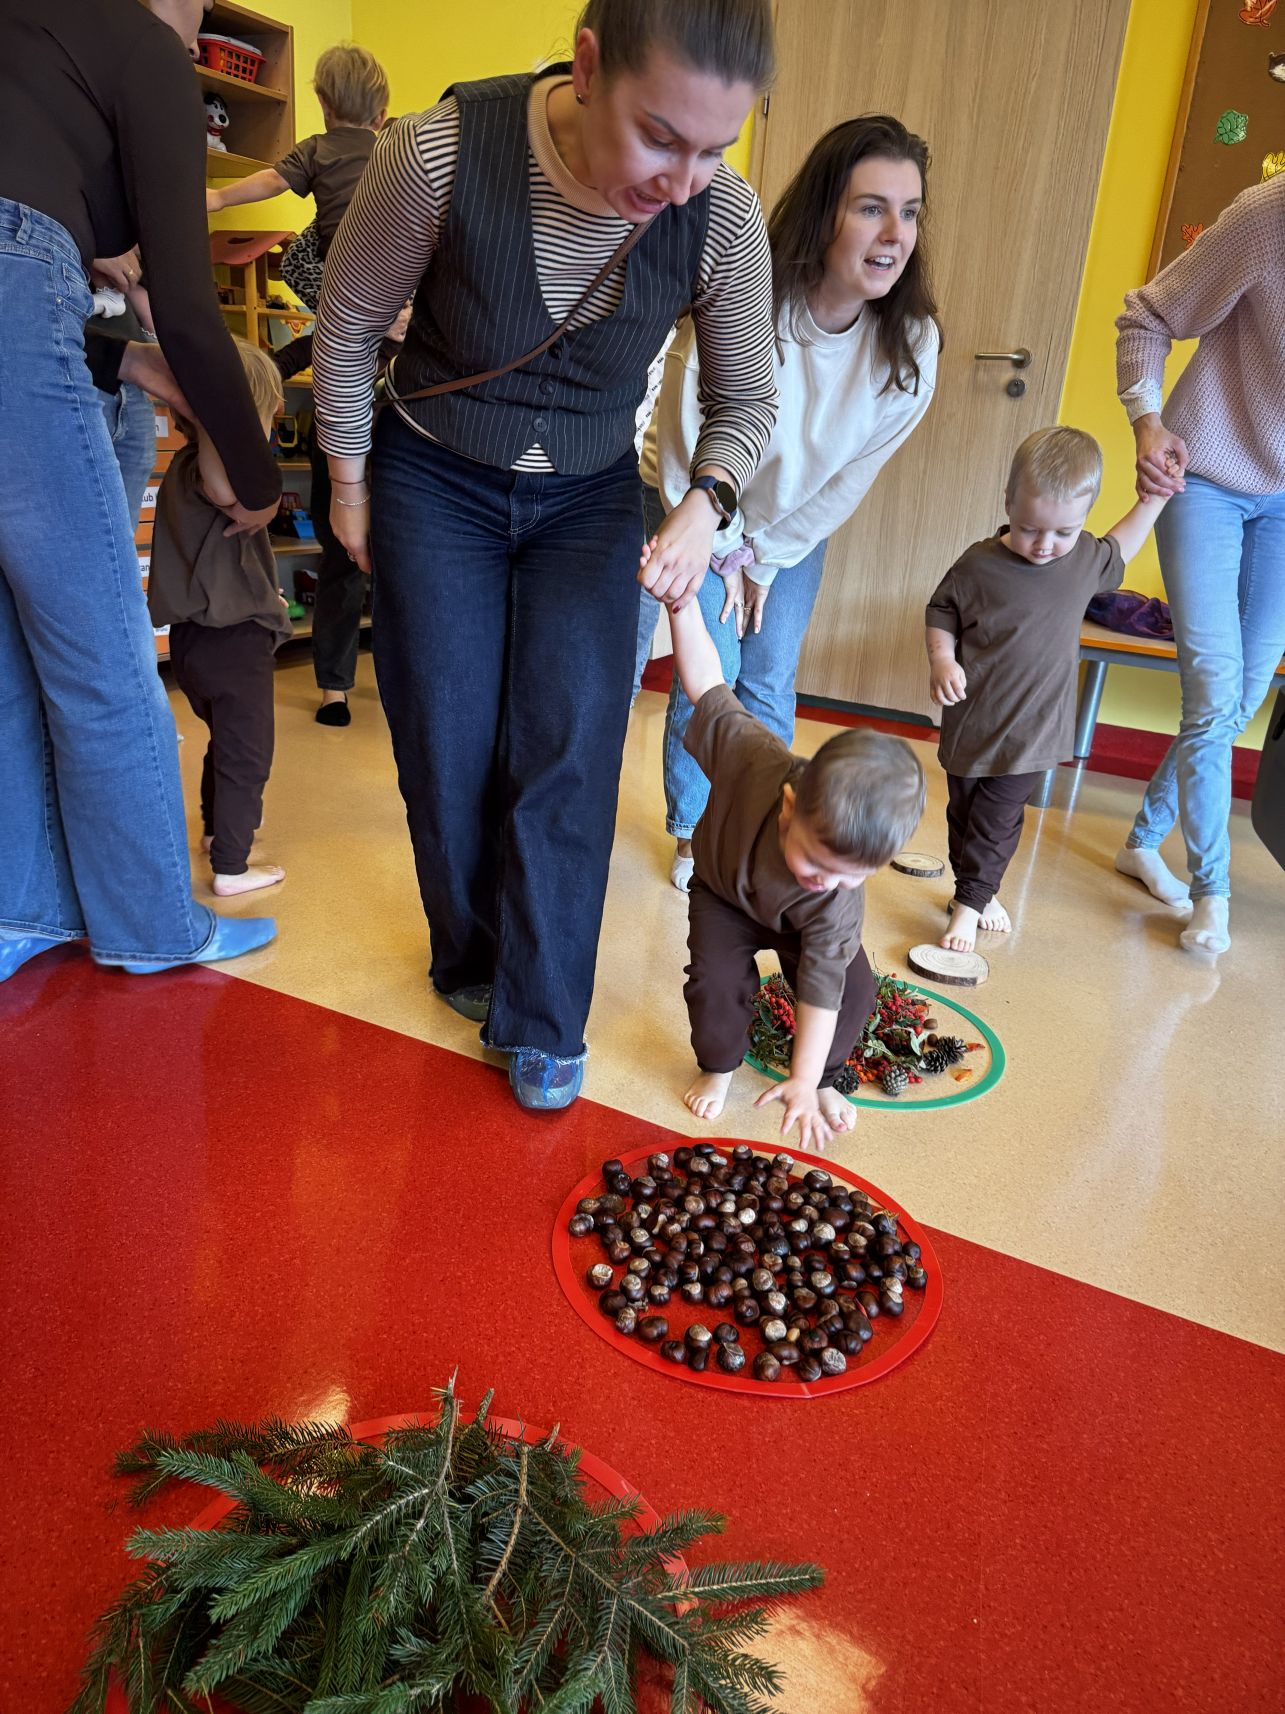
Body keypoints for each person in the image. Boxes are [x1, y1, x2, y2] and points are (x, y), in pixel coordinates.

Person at [313, 0, 779, 1110]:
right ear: (587, 66)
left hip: (588, 494)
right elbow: (346, 319)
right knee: (444, 739)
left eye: (714, 148)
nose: (682, 179)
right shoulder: (434, 153)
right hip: (433, 479)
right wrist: (347, 481)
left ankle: (542, 1014)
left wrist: (706, 502)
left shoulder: (722, 215)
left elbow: (748, 399)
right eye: (659, 136)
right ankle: (471, 953)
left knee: (569, 744)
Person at [0, 0, 281, 985]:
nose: (197, 30)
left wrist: (133, 363)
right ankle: (154, 923)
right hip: (17, 278)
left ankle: (20, 909)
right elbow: (193, 314)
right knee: (104, 645)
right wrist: (257, 481)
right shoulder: (143, 45)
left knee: (8, 644)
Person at [636, 114, 939, 891]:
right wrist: (722, 547)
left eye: (909, 212)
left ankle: (760, 830)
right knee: (713, 671)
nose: (894, 234)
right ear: (823, 213)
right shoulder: (746, 299)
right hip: (691, 504)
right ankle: (696, 834)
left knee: (768, 674)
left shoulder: (911, 345)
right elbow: (685, 433)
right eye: (871, 208)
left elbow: (847, 482)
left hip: (790, 531)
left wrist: (762, 558)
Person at [659, 583, 925, 1150]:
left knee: (853, 992)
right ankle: (719, 1067)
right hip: (724, 896)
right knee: (714, 985)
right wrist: (681, 607)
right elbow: (706, 684)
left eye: (852, 874)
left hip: (804, 927)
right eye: (818, 862)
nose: (829, 881)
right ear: (788, 808)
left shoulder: (834, 900)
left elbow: (821, 993)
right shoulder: (753, 757)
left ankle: (824, 1080)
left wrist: (804, 1081)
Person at [1112, 175, 1284, 956]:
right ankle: (1210, 893)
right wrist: (1146, 423)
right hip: (1203, 474)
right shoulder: (1266, 217)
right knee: (1213, 690)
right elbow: (1146, 317)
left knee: (1243, 692)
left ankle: (1141, 840)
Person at [926, 427, 1168, 955]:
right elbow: (941, 609)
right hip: (972, 722)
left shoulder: (1082, 560)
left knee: (996, 819)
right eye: (1029, 528)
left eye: (1063, 532)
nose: (1044, 545)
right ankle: (978, 890)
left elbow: (1122, 543)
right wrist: (943, 658)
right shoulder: (978, 564)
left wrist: (1153, 499)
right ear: (1008, 503)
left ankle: (969, 904)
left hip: (1034, 732)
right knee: (964, 813)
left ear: (1083, 520)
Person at [147, 338, 290, 897]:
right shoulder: (219, 471)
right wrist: (225, 417)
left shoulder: (183, 467)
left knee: (226, 742)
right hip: (230, 640)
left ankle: (214, 832)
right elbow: (226, 484)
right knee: (248, 754)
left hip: (196, 641)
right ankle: (231, 865)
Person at [273, 303, 412, 726]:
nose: (405, 314)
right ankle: (333, 687)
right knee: (342, 573)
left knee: (404, 580)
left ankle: (404, 685)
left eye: (412, 305)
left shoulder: (429, 347)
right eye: (399, 304)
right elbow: (272, 366)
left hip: (403, 469)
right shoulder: (343, 340)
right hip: (339, 471)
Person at [206, 43, 390, 310]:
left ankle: (342, 313)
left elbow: (273, 180)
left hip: (346, 267)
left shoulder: (316, 149)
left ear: (324, 104)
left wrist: (219, 197)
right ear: (381, 117)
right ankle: (386, 313)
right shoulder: (389, 149)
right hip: (395, 264)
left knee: (294, 263)